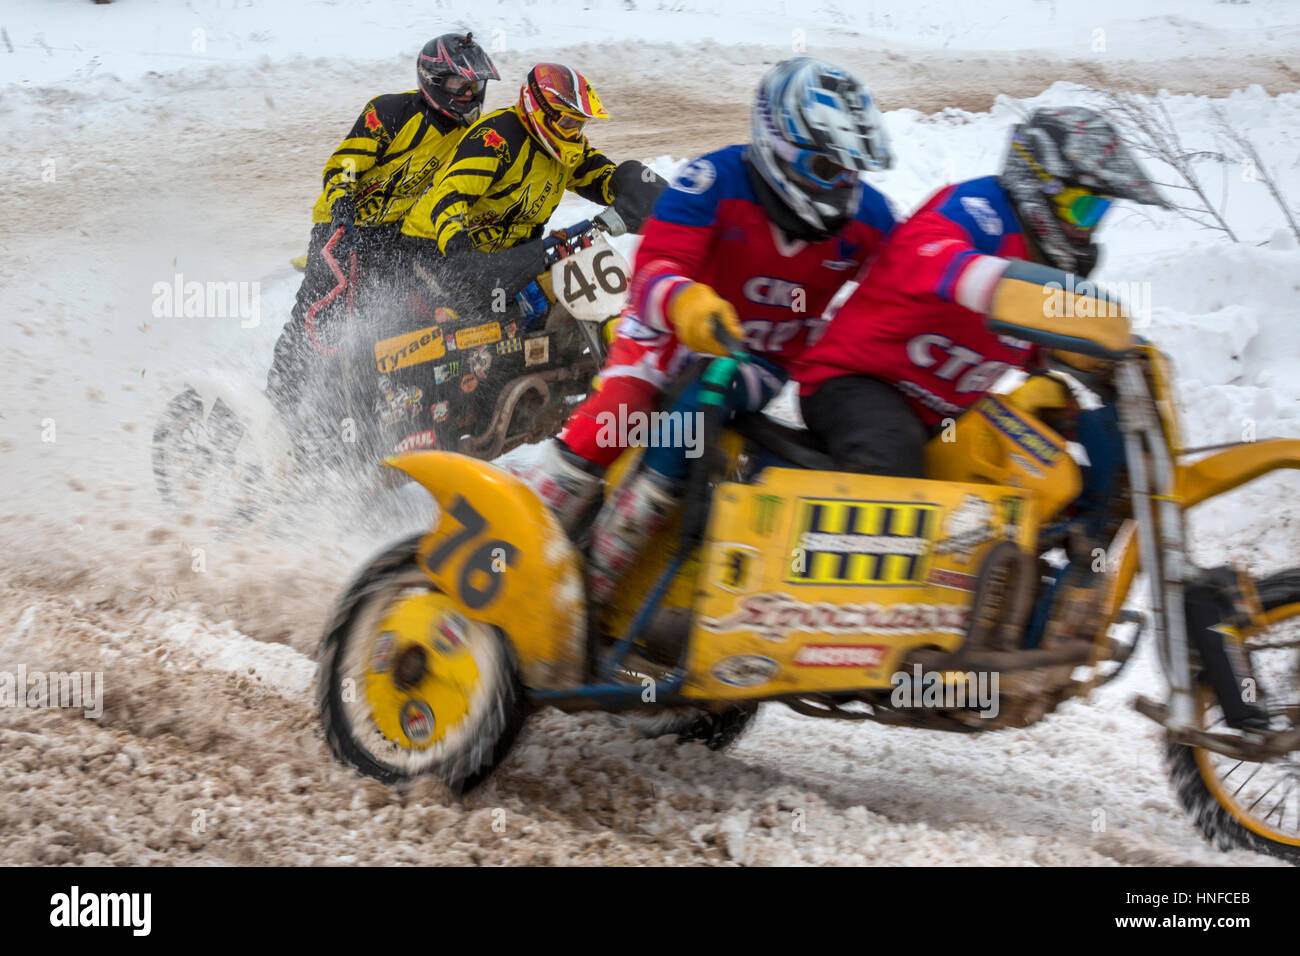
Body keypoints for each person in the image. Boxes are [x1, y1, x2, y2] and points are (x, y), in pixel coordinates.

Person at [523, 57, 897, 605]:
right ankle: (522, 529)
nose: (843, 185)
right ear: (779, 146)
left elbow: (912, 279)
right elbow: (652, 270)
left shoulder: (871, 218)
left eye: (851, 169)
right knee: (619, 410)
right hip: (663, 341)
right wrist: (690, 303)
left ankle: (598, 579)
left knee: (696, 410)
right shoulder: (712, 181)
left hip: (755, 363)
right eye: (826, 167)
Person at [793, 106, 1169, 478]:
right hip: (852, 384)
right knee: (893, 455)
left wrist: (1098, 356)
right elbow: (923, 249)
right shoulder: (982, 209)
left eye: (1097, 214)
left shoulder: (1043, 264)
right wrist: (989, 279)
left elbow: (1039, 344)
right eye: (1082, 209)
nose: (1085, 230)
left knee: (1034, 472)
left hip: (945, 417)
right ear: (1041, 184)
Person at [266, 32, 500, 418]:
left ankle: (354, 409)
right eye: (461, 86)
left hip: (393, 235)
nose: (470, 96)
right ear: (434, 81)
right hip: (340, 227)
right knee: (319, 314)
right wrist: (343, 205)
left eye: (476, 87)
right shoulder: (390, 111)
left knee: (388, 320)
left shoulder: (468, 137)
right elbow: (342, 163)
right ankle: (278, 398)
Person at [400, 63, 665, 308]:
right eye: (569, 122)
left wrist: (635, 187)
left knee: (559, 302)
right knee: (502, 326)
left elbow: (603, 179)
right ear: (541, 112)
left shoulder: (565, 150)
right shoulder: (496, 138)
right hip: (436, 251)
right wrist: (459, 255)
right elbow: (449, 195)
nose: (575, 133)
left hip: (504, 257)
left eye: (580, 124)